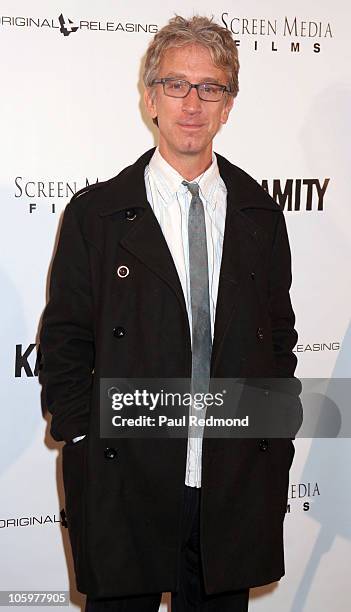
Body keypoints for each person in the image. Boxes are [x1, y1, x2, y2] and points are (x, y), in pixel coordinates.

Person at [39, 14, 302, 612]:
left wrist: (273, 427)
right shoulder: (97, 214)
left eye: (211, 87)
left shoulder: (261, 214)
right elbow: (65, 340)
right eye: (177, 85)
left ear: (229, 104)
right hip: (126, 474)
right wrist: (84, 432)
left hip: (232, 478)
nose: (193, 103)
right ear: (151, 95)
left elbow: (279, 335)